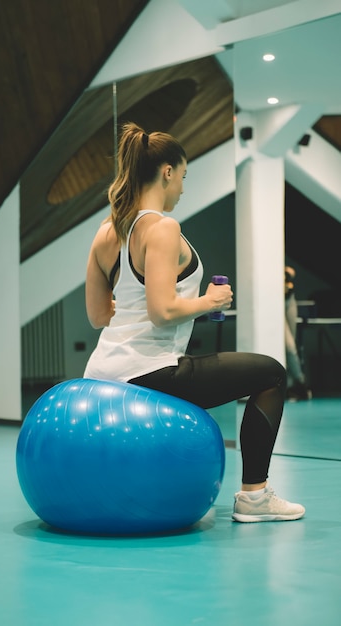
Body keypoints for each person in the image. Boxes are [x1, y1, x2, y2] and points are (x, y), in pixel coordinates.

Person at [84, 121, 305, 523]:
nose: (183, 188)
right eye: (183, 177)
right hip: (150, 371)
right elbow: (162, 311)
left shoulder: (106, 231)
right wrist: (210, 300)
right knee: (272, 373)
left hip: (100, 372)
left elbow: (98, 315)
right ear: (167, 172)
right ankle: (255, 496)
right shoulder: (163, 227)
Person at [285, 266, 312, 401]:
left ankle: (291, 387)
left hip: (289, 301)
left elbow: (291, 272)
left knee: (292, 346)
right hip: (272, 303)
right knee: (289, 346)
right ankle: (300, 382)